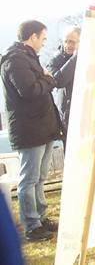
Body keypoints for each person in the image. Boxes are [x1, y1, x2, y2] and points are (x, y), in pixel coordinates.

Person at [0, 21, 64, 241]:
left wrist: (45, 78)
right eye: (43, 38)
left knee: (40, 176)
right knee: (29, 179)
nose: (44, 43)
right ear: (32, 37)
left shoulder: (27, 58)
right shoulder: (15, 60)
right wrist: (48, 79)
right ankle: (31, 225)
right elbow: (29, 90)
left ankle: (40, 216)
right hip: (29, 130)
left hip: (41, 127)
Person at [47, 27, 80, 139]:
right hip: (68, 113)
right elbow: (58, 81)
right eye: (66, 41)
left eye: (72, 42)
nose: (68, 45)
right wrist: (75, 58)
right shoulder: (56, 60)